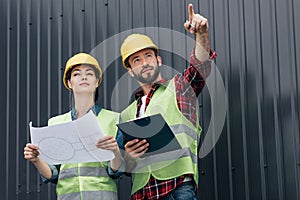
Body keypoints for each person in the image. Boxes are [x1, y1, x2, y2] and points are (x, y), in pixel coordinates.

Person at [118, 4, 217, 200]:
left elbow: (201, 66)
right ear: (130, 71)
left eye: (148, 56)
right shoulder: (126, 114)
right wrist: (128, 158)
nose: (144, 62)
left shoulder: (179, 87)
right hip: (141, 194)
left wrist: (201, 34)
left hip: (177, 188)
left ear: (159, 60)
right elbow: (124, 167)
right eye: (136, 60)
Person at [24, 53, 123, 200]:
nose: (84, 77)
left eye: (89, 74)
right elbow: (53, 174)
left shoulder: (114, 119)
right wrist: (36, 159)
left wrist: (115, 150)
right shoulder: (55, 123)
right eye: (77, 74)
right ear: (69, 83)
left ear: (97, 82)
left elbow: (115, 170)